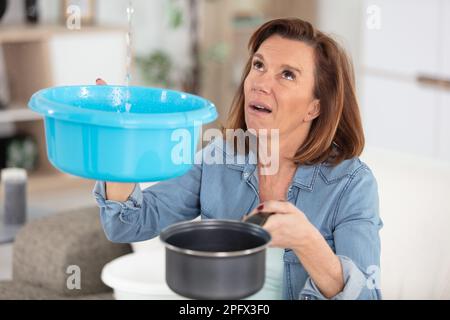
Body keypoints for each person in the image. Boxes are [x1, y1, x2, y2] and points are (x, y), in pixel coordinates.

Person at [93, 18, 383, 300]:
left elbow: (367, 296)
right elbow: (127, 224)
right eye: (259, 65)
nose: (260, 82)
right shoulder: (219, 159)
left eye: (287, 74)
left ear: (314, 108)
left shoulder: (351, 184)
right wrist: (117, 142)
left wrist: (306, 241)